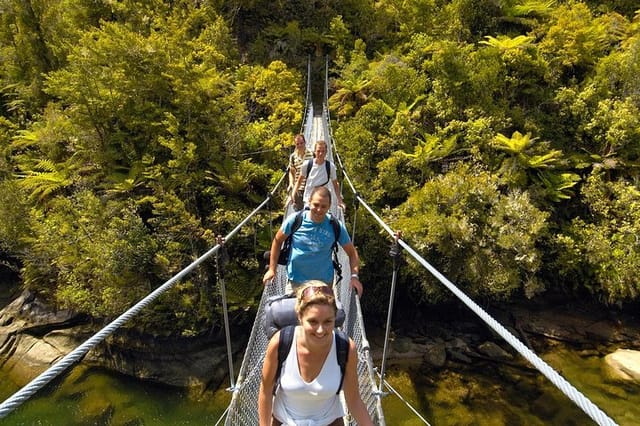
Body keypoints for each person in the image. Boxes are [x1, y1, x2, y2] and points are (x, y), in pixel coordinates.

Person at [258, 282, 374, 426]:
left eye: (328, 322)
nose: (320, 330)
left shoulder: (345, 347)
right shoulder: (280, 342)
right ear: (299, 317)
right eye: (313, 322)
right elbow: (265, 391)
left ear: (335, 318)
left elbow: (354, 400)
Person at [262, 186, 363, 297]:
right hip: (296, 282)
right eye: (316, 205)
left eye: (323, 206)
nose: (319, 210)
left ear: (329, 206)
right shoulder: (295, 220)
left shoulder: (335, 225)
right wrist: (272, 269)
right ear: (309, 202)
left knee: (320, 314)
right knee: (294, 314)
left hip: (323, 284)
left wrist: (354, 277)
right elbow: (277, 241)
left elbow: (352, 253)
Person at [291, 140, 345, 210]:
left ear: (326, 152)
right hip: (309, 200)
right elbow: (299, 181)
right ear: (314, 152)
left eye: (323, 151)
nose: (320, 153)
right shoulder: (307, 164)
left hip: (322, 200)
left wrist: (340, 201)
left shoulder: (330, 166)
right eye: (318, 151)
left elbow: (335, 184)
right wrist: (292, 195)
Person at [288, 134, 313, 211]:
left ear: (305, 142)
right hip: (298, 189)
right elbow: (291, 172)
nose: (300, 145)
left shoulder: (312, 154)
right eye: (297, 144)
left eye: (301, 143)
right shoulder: (293, 157)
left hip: (310, 188)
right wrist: (291, 183)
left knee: (310, 213)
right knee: (298, 213)